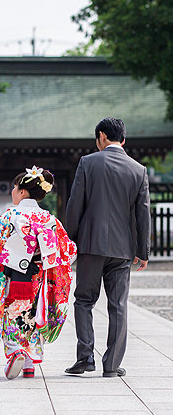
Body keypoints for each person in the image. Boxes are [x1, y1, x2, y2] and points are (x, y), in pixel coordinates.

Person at [65, 117, 150, 378]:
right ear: (122, 139)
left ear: (101, 136)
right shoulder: (139, 170)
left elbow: (75, 205)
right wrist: (142, 251)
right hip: (123, 249)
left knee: (84, 301)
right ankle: (112, 364)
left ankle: (85, 358)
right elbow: (143, 214)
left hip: (91, 246)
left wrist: (70, 242)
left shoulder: (88, 163)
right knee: (118, 305)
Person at [0, 167, 77, 379]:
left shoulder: (10, 215)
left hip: (12, 277)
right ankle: (30, 364)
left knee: (12, 313)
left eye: (14, 188)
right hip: (39, 279)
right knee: (34, 314)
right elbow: (68, 251)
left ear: (22, 191)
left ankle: (16, 352)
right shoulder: (49, 219)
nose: (13, 192)